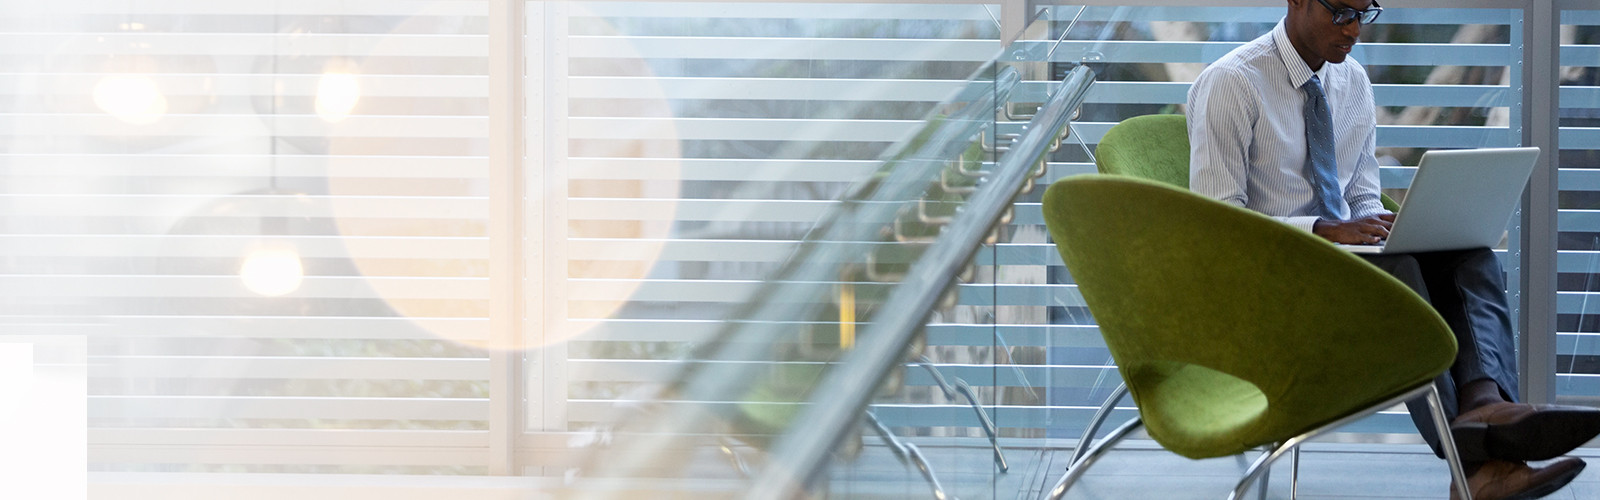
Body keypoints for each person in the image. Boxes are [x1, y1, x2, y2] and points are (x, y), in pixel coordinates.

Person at [1186, 1, 1600, 498]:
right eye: (1340, 13)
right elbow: (1216, 226)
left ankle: (1484, 401)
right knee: (1400, 269)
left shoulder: (1352, 81)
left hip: (1348, 272)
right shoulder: (1231, 83)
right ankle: (1482, 461)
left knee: (1470, 254)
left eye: (1366, 13)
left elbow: (1360, 191)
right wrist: (1320, 229)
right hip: (1276, 287)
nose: (1354, 30)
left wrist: (1385, 223)